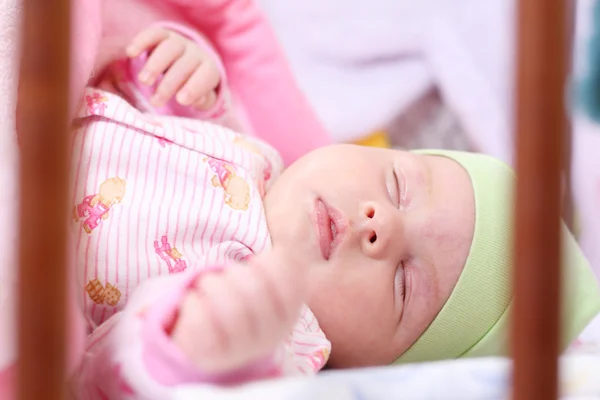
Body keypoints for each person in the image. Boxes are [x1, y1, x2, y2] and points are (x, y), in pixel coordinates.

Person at [69, 24, 600, 399]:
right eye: (396, 185)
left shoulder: (284, 343)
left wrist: (192, 354)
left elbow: (102, 377)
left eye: (404, 284)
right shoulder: (256, 153)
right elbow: (135, 104)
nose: (381, 225)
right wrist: (171, 71)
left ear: (379, 367)